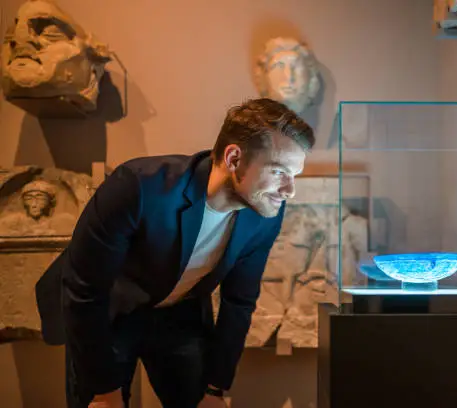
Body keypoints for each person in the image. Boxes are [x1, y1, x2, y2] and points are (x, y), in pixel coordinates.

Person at [35, 97, 315, 408]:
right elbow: (84, 291)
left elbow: (240, 301)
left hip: (178, 313)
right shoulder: (138, 187)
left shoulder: (265, 213)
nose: (290, 190)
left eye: (295, 175)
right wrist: (103, 391)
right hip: (107, 312)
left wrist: (215, 389)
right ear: (234, 158)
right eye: (279, 172)